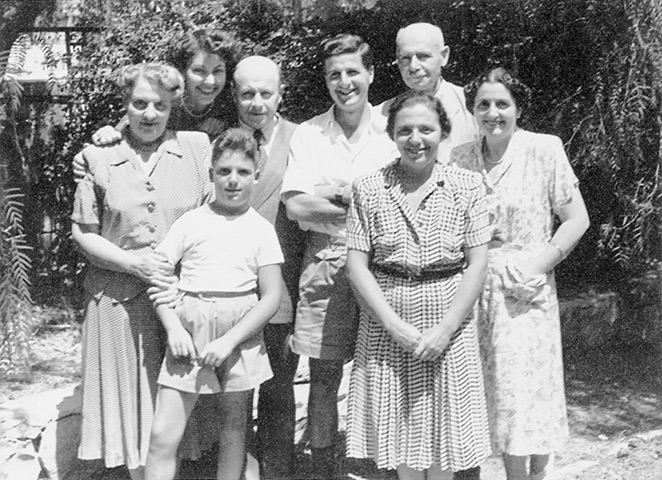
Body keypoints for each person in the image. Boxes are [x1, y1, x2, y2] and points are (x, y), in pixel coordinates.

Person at [70, 62, 212, 480]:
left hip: (178, 299)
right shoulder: (97, 157)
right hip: (115, 302)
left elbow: (211, 219)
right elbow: (83, 233)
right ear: (125, 105)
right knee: (129, 408)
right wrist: (133, 263)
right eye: (140, 104)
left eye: (161, 105)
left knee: (175, 410)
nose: (150, 114)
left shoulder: (196, 148)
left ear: (174, 107)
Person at [344, 90, 492, 480]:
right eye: (405, 130)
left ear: (443, 132)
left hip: (449, 325)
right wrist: (394, 326)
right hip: (387, 325)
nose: (416, 139)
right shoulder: (368, 187)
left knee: (444, 438)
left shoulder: (468, 186)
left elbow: (477, 264)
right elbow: (357, 265)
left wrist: (444, 330)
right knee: (401, 438)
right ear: (391, 134)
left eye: (426, 129)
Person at [451, 67, 590, 480]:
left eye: (502, 104)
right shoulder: (460, 157)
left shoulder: (544, 149)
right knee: (489, 395)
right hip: (475, 287)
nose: (493, 113)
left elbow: (576, 219)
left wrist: (537, 265)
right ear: (472, 110)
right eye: (483, 105)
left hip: (525, 285)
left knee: (526, 392)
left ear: (517, 107)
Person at [280, 33, 397, 478]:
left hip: (385, 265)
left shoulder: (393, 129)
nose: (344, 82)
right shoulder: (310, 133)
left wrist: (336, 196)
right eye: (334, 75)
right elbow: (296, 206)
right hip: (325, 262)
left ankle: (384, 463)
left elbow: (401, 201)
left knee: (386, 370)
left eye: (352, 72)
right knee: (325, 375)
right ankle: (326, 466)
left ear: (370, 74)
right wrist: (359, 200)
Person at [143, 128, 283, 480]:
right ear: (211, 175)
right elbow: (158, 277)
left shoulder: (261, 230)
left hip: (239, 334)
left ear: (256, 176)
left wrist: (229, 341)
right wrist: (173, 327)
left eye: (243, 172)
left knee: (234, 429)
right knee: (164, 433)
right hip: (190, 330)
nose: (233, 181)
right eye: (224, 172)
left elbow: (271, 297)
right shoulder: (190, 223)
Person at [233, 55, 304, 480]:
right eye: (247, 93)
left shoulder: (304, 138)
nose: (257, 103)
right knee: (233, 393)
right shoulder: (218, 140)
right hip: (231, 288)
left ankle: (278, 473)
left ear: (280, 94)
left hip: (283, 288)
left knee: (278, 391)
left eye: (266, 93)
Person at [82, 27, 241, 151]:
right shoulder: (164, 101)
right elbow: (118, 135)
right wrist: (106, 136)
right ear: (183, 71)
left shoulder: (231, 104)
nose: (210, 81)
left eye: (218, 71)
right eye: (199, 71)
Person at [375, 22, 479, 163]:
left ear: (444, 56)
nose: (413, 66)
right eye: (405, 58)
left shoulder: (473, 107)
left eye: (423, 56)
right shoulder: (380, 116)